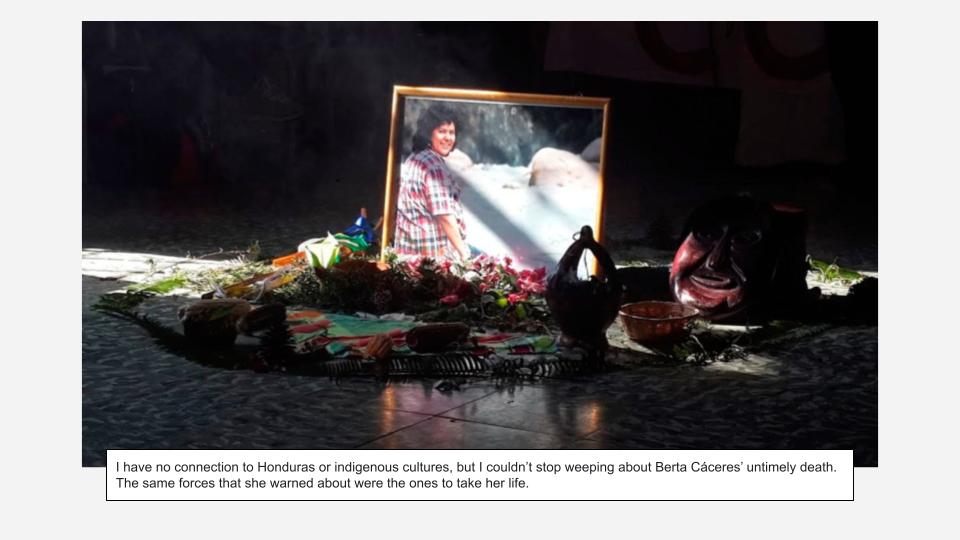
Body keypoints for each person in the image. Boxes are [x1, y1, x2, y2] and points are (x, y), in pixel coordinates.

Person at [393, 105, 471, 261]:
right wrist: (464, 254)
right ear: (428, 133)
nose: (448, 138)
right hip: (432, 259)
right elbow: (444, 215)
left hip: (407, 255)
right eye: (442, 131)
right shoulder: (433, 166)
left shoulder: (414, 158)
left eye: (451, 132)